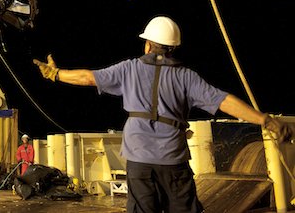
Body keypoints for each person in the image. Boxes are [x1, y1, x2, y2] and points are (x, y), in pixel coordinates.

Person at [33, 16, 292, 213]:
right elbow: (224, 101)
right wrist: (265, 120)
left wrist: (56, 74)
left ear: (148, 45)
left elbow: (88, 77)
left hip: (138, 159)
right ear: (173, 48)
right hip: (173, 160)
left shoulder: (129, 69)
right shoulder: (187, 77)